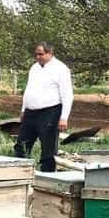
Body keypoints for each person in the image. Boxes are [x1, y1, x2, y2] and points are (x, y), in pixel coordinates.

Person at [14, 41, 73, 172]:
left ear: (50, 53)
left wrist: (64, 118)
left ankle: (48, 176)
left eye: (41, 54)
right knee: (21, 145)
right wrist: (24, 109)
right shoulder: (34, 67)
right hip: (30, 112)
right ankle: (19, 173)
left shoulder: (61, 69)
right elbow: (28, 89)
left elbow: (67, 95)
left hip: (50, 112)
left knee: (48, 148)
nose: (38, 57)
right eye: (36, 54)